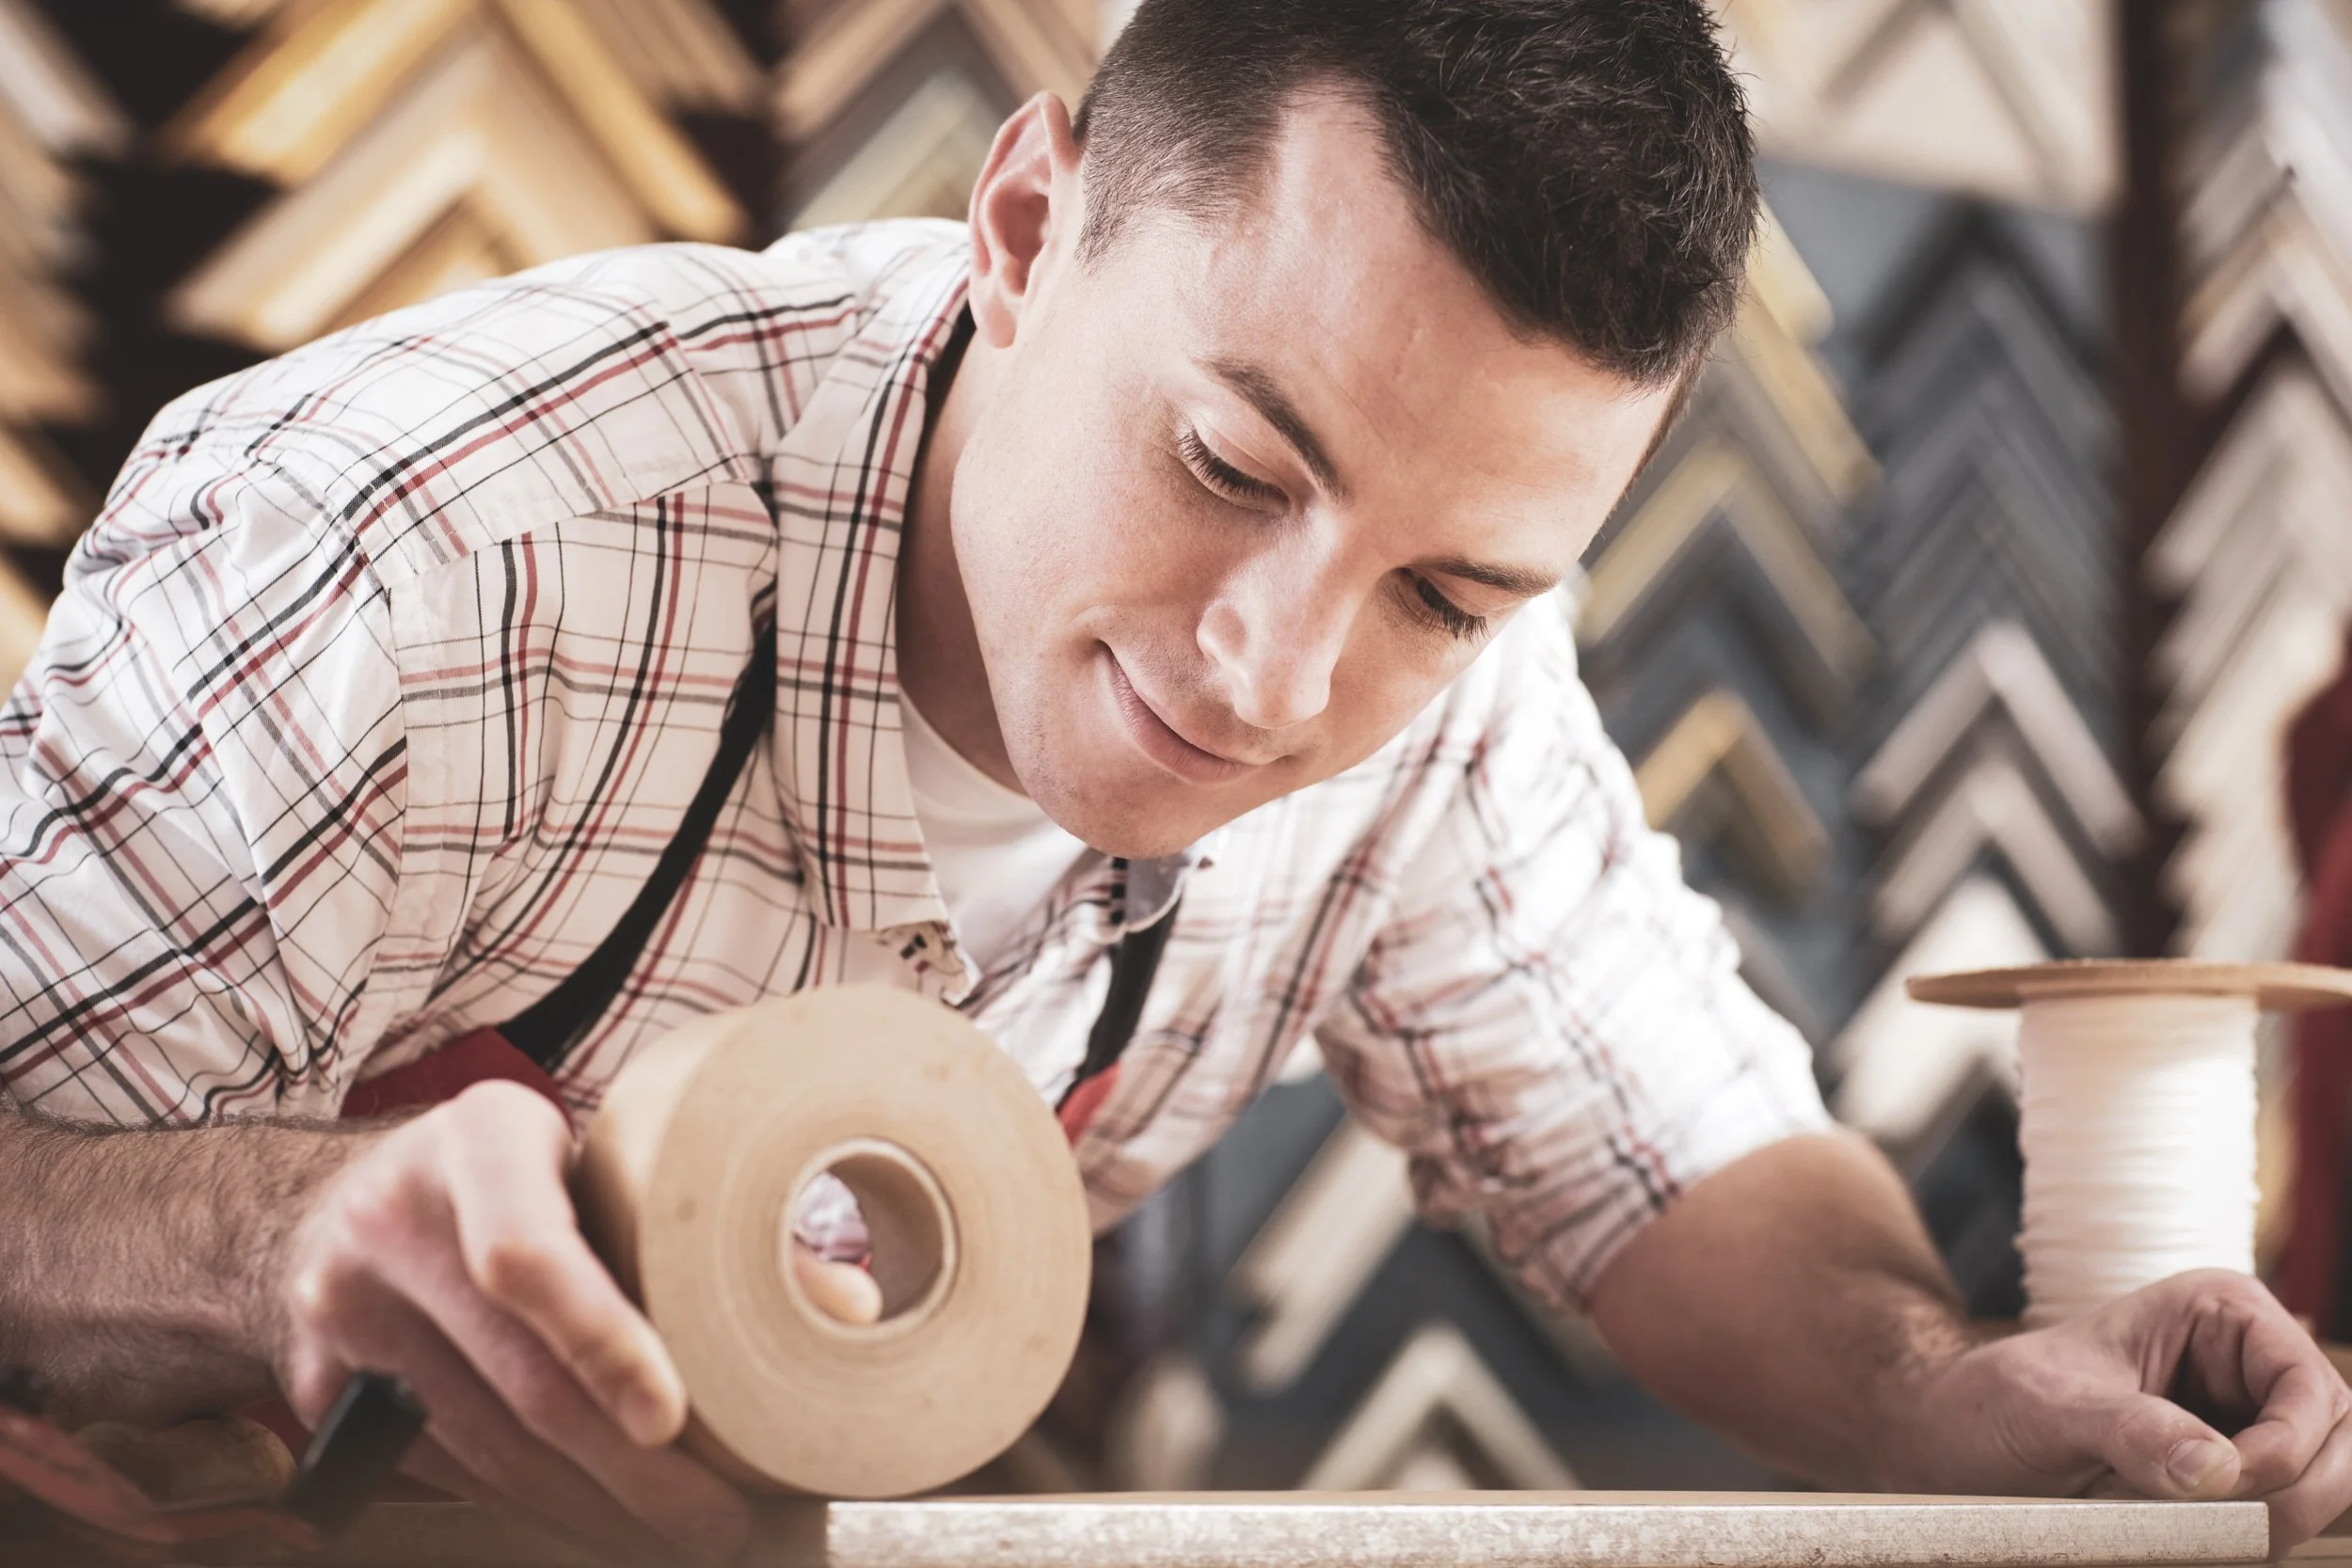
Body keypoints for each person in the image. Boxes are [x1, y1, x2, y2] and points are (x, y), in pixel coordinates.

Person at [2, 0, 2345, 1560]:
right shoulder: (415, 544)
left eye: (1442, 588)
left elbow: (1670, 1156)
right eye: (1231, 460)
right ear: (1024, 233)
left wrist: (1940, 1391)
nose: (1275, 673)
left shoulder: (1443, 695)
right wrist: (267, 1228)